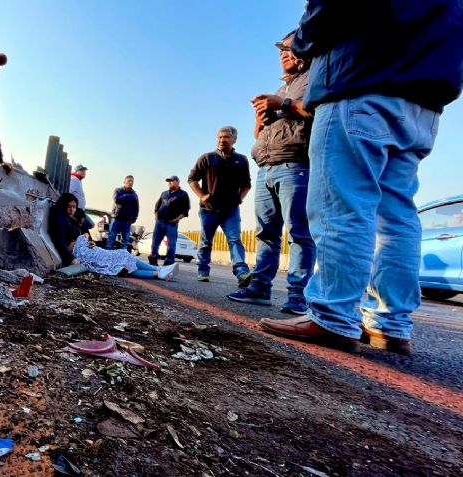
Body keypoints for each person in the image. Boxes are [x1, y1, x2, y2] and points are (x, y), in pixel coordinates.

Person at [259, 0, 463, 355]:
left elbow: (327, 10)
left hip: (359, 80)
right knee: (396, 214)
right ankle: (390, 324)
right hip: (425, 97)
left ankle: (332, 315)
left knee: (342, 205)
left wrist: (303, 40)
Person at [226, 31, 316, 315]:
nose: (283, 53)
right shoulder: (279, 91)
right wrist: (259, 119)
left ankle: (299, 294)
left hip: (295, 166)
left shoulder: (314, 80)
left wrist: (285, 105)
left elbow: (318, 114)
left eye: (289, 48)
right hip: (265, 168)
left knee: (299, 233)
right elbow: (259, 135)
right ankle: (260, 287)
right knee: (265, 233)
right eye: (280, 49)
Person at [49, 193, 174, 280]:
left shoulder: (69, 219)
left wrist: (86, 241)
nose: (72, 210)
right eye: (69, 206)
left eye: (74, 207)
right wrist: (72, 258)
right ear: (63, 205)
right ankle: (158, 269)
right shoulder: (60, 218)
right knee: (123, 256)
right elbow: (59, 241)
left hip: (87, 250)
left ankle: (158, 273)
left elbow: (88, 224)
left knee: (122, 265)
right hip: (82, 255)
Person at [187, 127, 252, 284]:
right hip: (209, 210)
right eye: (220, 137)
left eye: (227, 137)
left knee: (235, 240)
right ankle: (203, 270)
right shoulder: (207, 158)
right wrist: (202, 196)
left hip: (231, 211)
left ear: (234, 139)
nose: (223, 140)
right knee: (206, 241)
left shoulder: (241, 160)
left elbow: (246, 184)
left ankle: (242, 272)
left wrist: (239, 199)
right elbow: (192, 179)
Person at [148, 176, 190, 266]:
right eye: (168, 182)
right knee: (155, 243)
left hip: (172, 224)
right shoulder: (164, 193)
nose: (169, 183)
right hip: (160, 223)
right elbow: (157, 206)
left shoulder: (183, 194)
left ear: (178, 182)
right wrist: (156, 217)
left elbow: (186, 210)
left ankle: (168, 263)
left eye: (171, 181)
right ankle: (153, 260)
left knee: (171, 245)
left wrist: (177, 219)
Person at [106, 175, 140, 250]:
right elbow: (116, 200)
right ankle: (107, 257)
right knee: (111, 239)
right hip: (116, 219)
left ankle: (122, 258)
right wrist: (128, 196)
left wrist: (134, 218)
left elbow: (136, 208)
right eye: (129, 181)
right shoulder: (118, 190)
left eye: (132, 181)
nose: (131, 183)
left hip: (127, 221)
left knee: (125, 241)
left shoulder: (134, 195)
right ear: (124, 182)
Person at [69, 165, 93, 233]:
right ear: (76, 171)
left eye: (84, 171)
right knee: (90, 224)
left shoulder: (78, 180)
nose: (84, 172)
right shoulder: (75, 180)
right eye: (81, 170)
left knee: (85, 226)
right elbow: (69, 192)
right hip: (77, 211)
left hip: (79, 211)